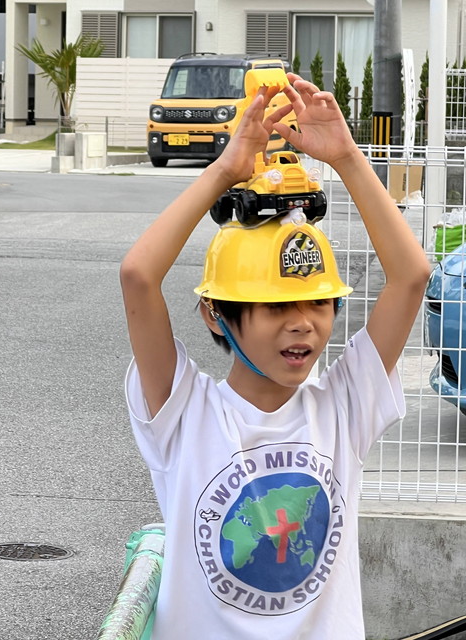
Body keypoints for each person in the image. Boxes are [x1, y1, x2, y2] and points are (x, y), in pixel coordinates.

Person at [120, 74, 430, 640]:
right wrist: (223, 171)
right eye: (276, 306)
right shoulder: (182, 413)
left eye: (319, 303)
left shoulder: (344, 407)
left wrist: (346, 158)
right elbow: (139, 275)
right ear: (215, 313)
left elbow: (411, 275)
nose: (303, 323)